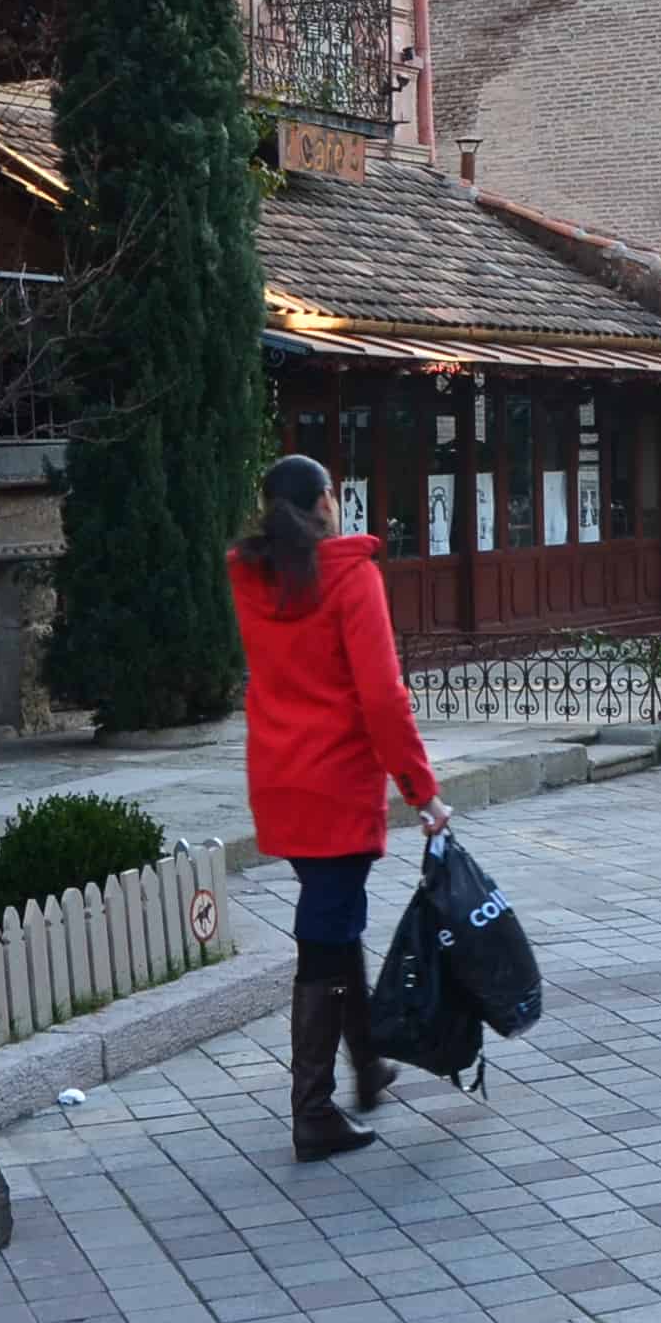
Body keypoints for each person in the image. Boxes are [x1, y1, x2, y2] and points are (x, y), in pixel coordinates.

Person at [230, 454, 452, 1163]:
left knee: (334, 920)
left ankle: (366, 1063)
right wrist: (421, 790)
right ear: (328, 501)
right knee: (326, 928)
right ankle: (312, 1110)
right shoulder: (351, 578)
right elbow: (382, 696)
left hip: (280, 777)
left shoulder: (249, 579)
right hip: (335, 783)